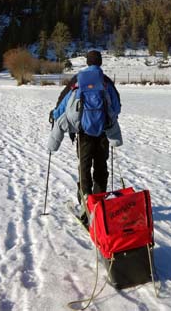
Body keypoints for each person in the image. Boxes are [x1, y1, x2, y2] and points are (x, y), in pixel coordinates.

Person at [47, 50, 122, 222]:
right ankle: (100, 202)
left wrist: (54, 114)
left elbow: (64, 102)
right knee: (101, 166)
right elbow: (116, 107)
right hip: (103, 132)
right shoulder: (105, 81)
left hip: (82, 134)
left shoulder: (78, 80)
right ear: (100, 63)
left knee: (84, 166)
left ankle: (85, 205)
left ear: (87, 62)